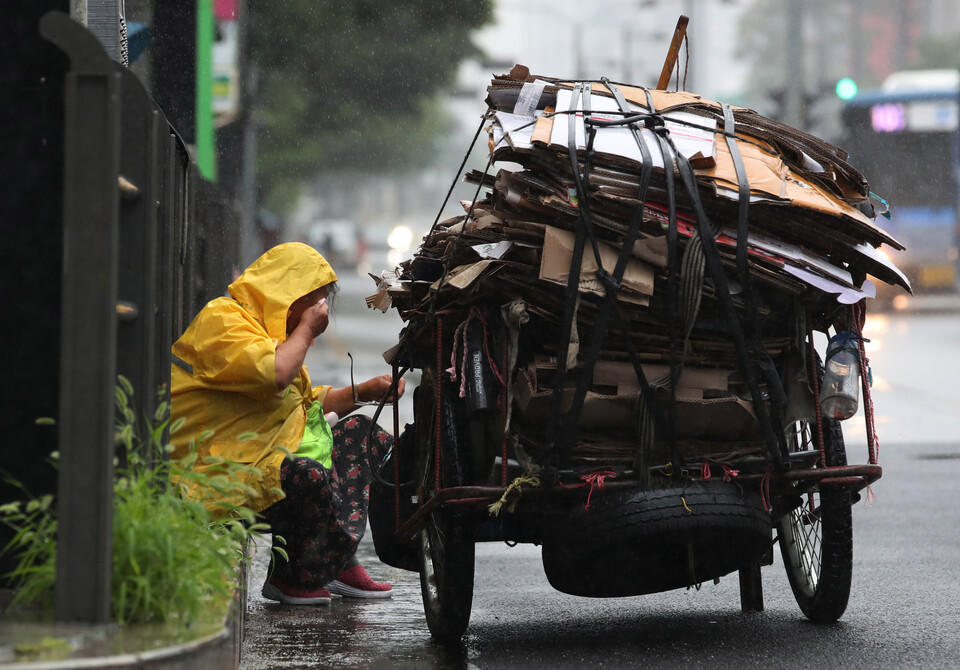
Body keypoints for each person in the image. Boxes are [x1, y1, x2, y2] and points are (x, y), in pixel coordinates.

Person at [169, 242, 405, 606]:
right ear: (283, 292)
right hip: (221, 468)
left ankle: (338, 562)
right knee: (307, 473)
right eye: (313, 302)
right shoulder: (224, 320)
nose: (319, 311)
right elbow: (276, 374)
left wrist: (366, 391)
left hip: (262, 454)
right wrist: (306, 331)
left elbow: (306, 403)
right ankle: (293, 575)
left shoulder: (274, 333)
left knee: (364, 435)